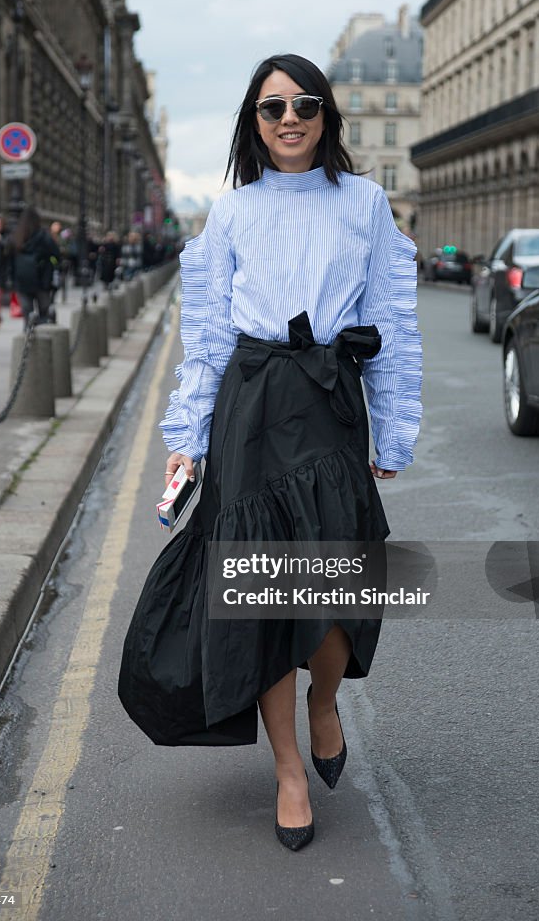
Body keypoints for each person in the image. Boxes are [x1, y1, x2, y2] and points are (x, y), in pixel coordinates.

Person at [118, 54, 422, 851]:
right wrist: (185, 441)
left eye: (305, 104)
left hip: (327, 404)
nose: (289, 118)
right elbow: (209, 338)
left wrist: (391, 430)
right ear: (252, 123)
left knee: (336, 586)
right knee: (260, 596)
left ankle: (324, 700)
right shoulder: (232, 214)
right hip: (249, 407)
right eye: (272, 107)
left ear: (326, 118)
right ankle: (289, 771)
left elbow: (391, 321)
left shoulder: (365, 202)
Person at [10, 207, 59, 329]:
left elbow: (10, 259)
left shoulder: (16, 237)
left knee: (27, 314)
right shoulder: (44, 237)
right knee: (44, 313)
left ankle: (28, 334)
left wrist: (12, 278)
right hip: (42, 280)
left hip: (22, 280)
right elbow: (56, 255)